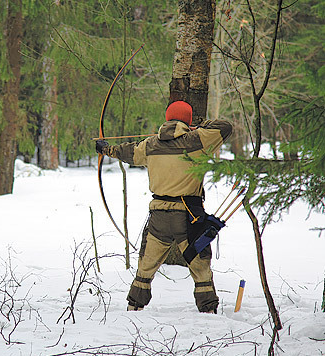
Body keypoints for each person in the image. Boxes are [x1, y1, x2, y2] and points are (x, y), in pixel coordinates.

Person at [95, 101, 232, 313]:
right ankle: (208, 311)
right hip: (189, 216)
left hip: (159, 215)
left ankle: (134, 307)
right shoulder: (198, 139)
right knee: (200, 265)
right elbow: (225, 126)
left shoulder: (150, 144)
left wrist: (106, 149)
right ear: (187, 120)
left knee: (146, 265)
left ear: (167, 119)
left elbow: (127, 152)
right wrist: (199, 125)